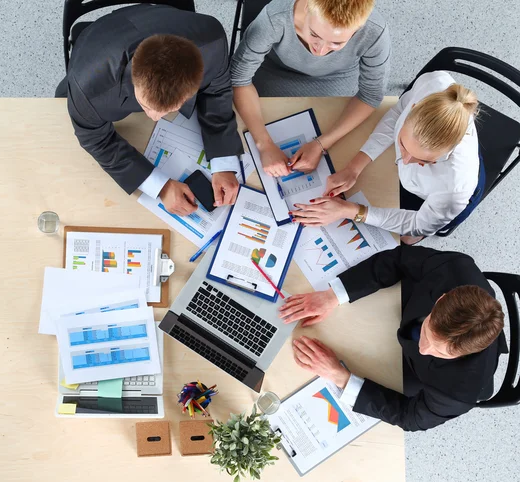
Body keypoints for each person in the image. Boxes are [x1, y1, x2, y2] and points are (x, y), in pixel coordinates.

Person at [279, 245, 507, 431]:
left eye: (440, 352)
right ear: (440, 299)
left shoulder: (455, 394)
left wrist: (340, 377)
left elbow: (409, 417)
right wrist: (332, 296)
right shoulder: (454, 268)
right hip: (400, 309)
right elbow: (399, 259)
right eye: (427, 332)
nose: (424, 349)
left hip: (416, 375)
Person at [57, 5, 244, 215]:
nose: (156, 118)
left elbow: (217, 90)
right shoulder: (88, 88)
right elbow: (95, 139)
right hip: (100, 43)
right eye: (147, 106)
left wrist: (223, 161)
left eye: (171, 109)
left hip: (158, 19)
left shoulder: (214, 43)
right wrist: (160, 186)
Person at [291, 71, 484, 245]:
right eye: (402, 144)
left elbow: (418, 224)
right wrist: (354, 167)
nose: (404, 161)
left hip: (444, 202)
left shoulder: (455, 189)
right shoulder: (433, 83)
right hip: (419, 183)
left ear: (448, 152)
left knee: (406, 238)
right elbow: (398, 111)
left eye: (424, 161)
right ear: (414, 108)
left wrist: (349, 211)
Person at [231, 0, 390, 177]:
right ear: (307, 6)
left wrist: (321, 144)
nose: (320, 51)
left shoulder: (374, 30)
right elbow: (239, 79)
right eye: (314, 34)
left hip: (337, 81)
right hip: (274, 74)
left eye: (336, 43)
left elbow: (370, 96)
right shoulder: (275, 18)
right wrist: (264, 144)